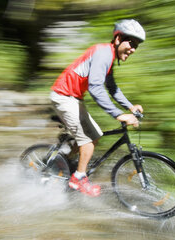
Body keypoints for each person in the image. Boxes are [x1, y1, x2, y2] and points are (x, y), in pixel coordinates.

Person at [50, 19, 145, 197]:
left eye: (136, 46)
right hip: (64, 97)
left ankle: (61, 161)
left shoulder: (108, 56)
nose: (133, 49)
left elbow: (112, 88)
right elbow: (95, 87)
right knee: (87, 141)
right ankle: (78, 179)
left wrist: (130, 107)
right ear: (118, 39)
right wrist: (118, 115)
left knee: (95, 136)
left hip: (72, 98)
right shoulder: (103, 53)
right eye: (131, 43)